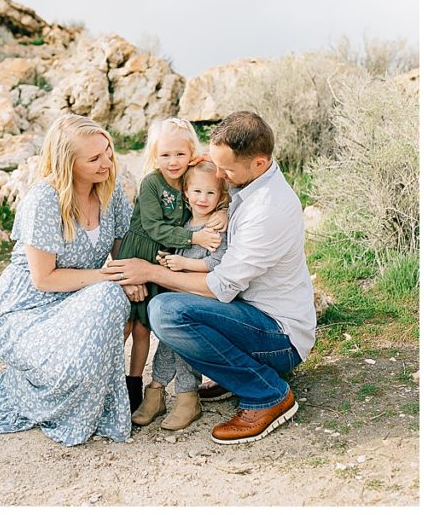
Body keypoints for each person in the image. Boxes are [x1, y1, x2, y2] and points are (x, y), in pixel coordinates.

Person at [104, 111, 316, 445]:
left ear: (258, 164)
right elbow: (211, 181)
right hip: (252, 317)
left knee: (166, 311)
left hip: (278, 337)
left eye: (226, 170)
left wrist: (149, 271)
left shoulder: (267, 211)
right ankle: (230, 369)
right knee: (171, 306)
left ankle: (267, 394)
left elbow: (220, 288)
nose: (219, 176)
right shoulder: (250, 180)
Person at [0, 114, 145, 446]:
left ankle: (94, 394)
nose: (107, 162)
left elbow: (123, 250)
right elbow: (44, 279)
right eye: (94, 158)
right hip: (27, 309)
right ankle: (57, 398)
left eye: (108, 151)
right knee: (109, 295)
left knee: (117, 298)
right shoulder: (45, 199)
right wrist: (110, 277)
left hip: (76, 298)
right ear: (68, 164)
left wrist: (129, 275)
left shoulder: (110, 189)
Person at [113, 118, 224, 412]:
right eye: (165, 155)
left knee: (146, 327)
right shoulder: (152, 182)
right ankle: (108, 381)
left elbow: (215, 185)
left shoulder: (192, 178)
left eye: (180, 154)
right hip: (141, 251)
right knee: (128, 322)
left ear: (191, 154)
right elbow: (153, 227)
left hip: (166, 259)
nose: (173, 162)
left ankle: (137, 386)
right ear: (154, 155)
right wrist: (194, 237)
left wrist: (223, 211)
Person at [132, 155, 228, 430]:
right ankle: (158, 391)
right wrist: (168, 261)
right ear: (185, 193)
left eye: (210, 193)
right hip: (179, 296)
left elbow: (216, 264)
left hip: (202, 297)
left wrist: (184, 264)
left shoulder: (215, 226)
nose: (202, 198)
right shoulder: (185, 225)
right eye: (197, 191)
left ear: (220, 196)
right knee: (168, 340)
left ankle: (185, 397)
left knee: (181, 343)